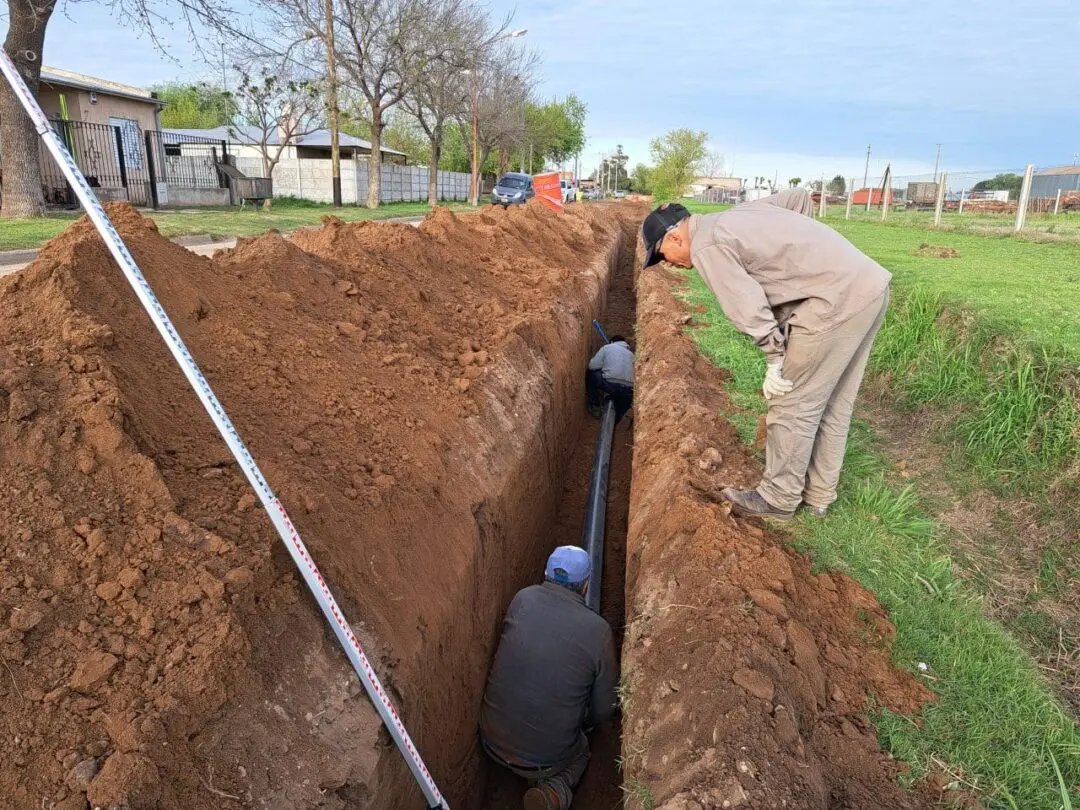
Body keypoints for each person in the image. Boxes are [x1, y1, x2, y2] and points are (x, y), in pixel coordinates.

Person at [640, 190, 890, 520]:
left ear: (674, 236)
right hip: (869, 288)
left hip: (831, 303)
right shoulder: (740, 214)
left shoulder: (706, 246)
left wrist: (775, 359)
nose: (669, 264)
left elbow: (745, 305)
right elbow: (799, 199)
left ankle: (778, 499)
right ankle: (819, 496)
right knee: (834, 401)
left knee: (792, 401)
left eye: (662, 255)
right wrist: (804, 260)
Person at [480, 546, 618, 810]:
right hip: (547, 759)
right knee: (582, 752)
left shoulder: (522, 599)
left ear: (546, 573)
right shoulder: (599, 632)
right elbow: (604, 709)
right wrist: (581, 720)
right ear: (586, 586)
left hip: (490, 737)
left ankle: (507, 778)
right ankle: (555, 791)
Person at [586, 336, 634, 421]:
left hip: (610, 386)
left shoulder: (607, 347)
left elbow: (592, 366)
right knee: (621, 409)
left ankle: (595, 406)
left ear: (611, 341)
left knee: (593, 374)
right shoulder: (632, 355)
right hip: (629, 391)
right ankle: (619, 417)